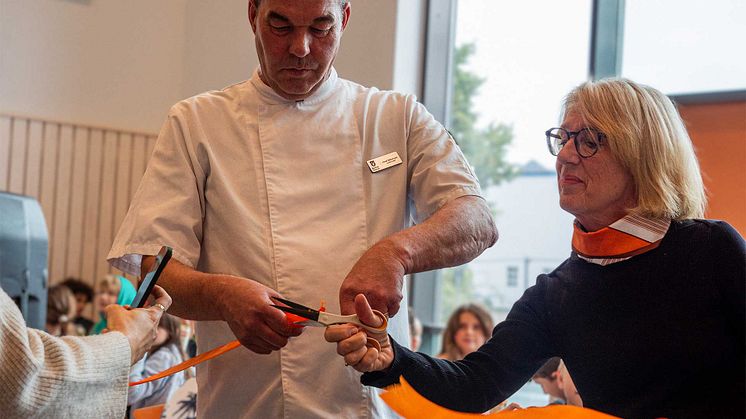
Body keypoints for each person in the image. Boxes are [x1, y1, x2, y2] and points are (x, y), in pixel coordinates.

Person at [107, 0, 497, 417]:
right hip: (247, 405)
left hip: (370, 407)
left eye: (321, 27)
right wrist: (222, 297)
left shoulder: (395, 117)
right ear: (253, 13)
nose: (301, 48)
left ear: (344, 18)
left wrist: (397, 253)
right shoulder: (197, 123)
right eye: (281, 26)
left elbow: (476, 219)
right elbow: (155, 267)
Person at [326, 78, 746, 418]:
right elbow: (475, 385)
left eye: (588, 141)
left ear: (642, 154)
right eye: (562, 138)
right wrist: (392, 359)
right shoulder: (558, 292)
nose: (565, 155)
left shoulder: (711, 251)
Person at [0, 285, 172, 418]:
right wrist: (127, 342)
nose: (105, 298)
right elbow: (22, 373)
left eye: (112, 293)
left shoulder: (166, 356)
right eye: (102, 292)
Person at [128, 313, 187, 415]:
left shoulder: (164, 357)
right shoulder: (175, 354)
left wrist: (140, 351)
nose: (150, 330)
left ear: (170, 330)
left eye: (157, 325)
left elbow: (132, 393)